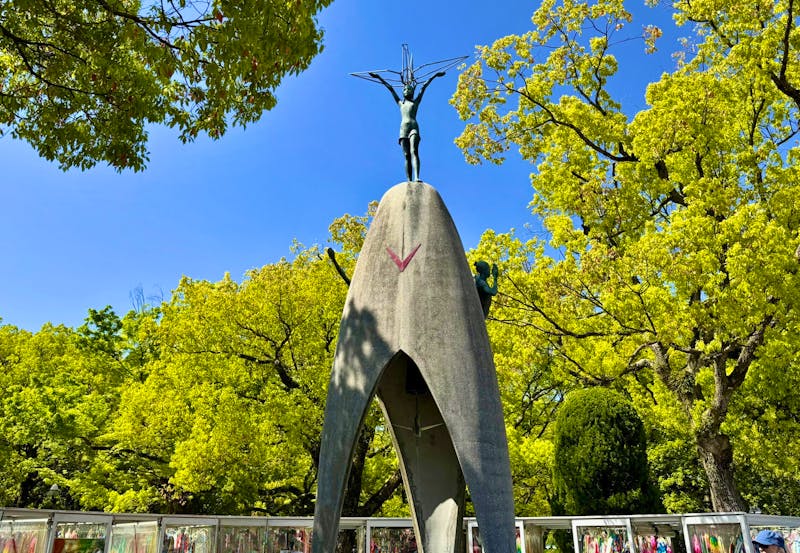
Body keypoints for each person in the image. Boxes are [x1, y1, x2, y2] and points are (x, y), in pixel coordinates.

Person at [368, 71, 445, 182]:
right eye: (404, 89)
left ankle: (417, 177)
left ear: (413, 92)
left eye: (409, 89)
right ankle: (409, 180)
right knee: (406, 155)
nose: (406, 90)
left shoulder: (416, 102)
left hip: (413, 127)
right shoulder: (401, 103)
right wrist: (379, 77)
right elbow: (390, 88)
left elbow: (424, 87)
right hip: (403, 129)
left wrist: (435, 75)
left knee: (414, 151)